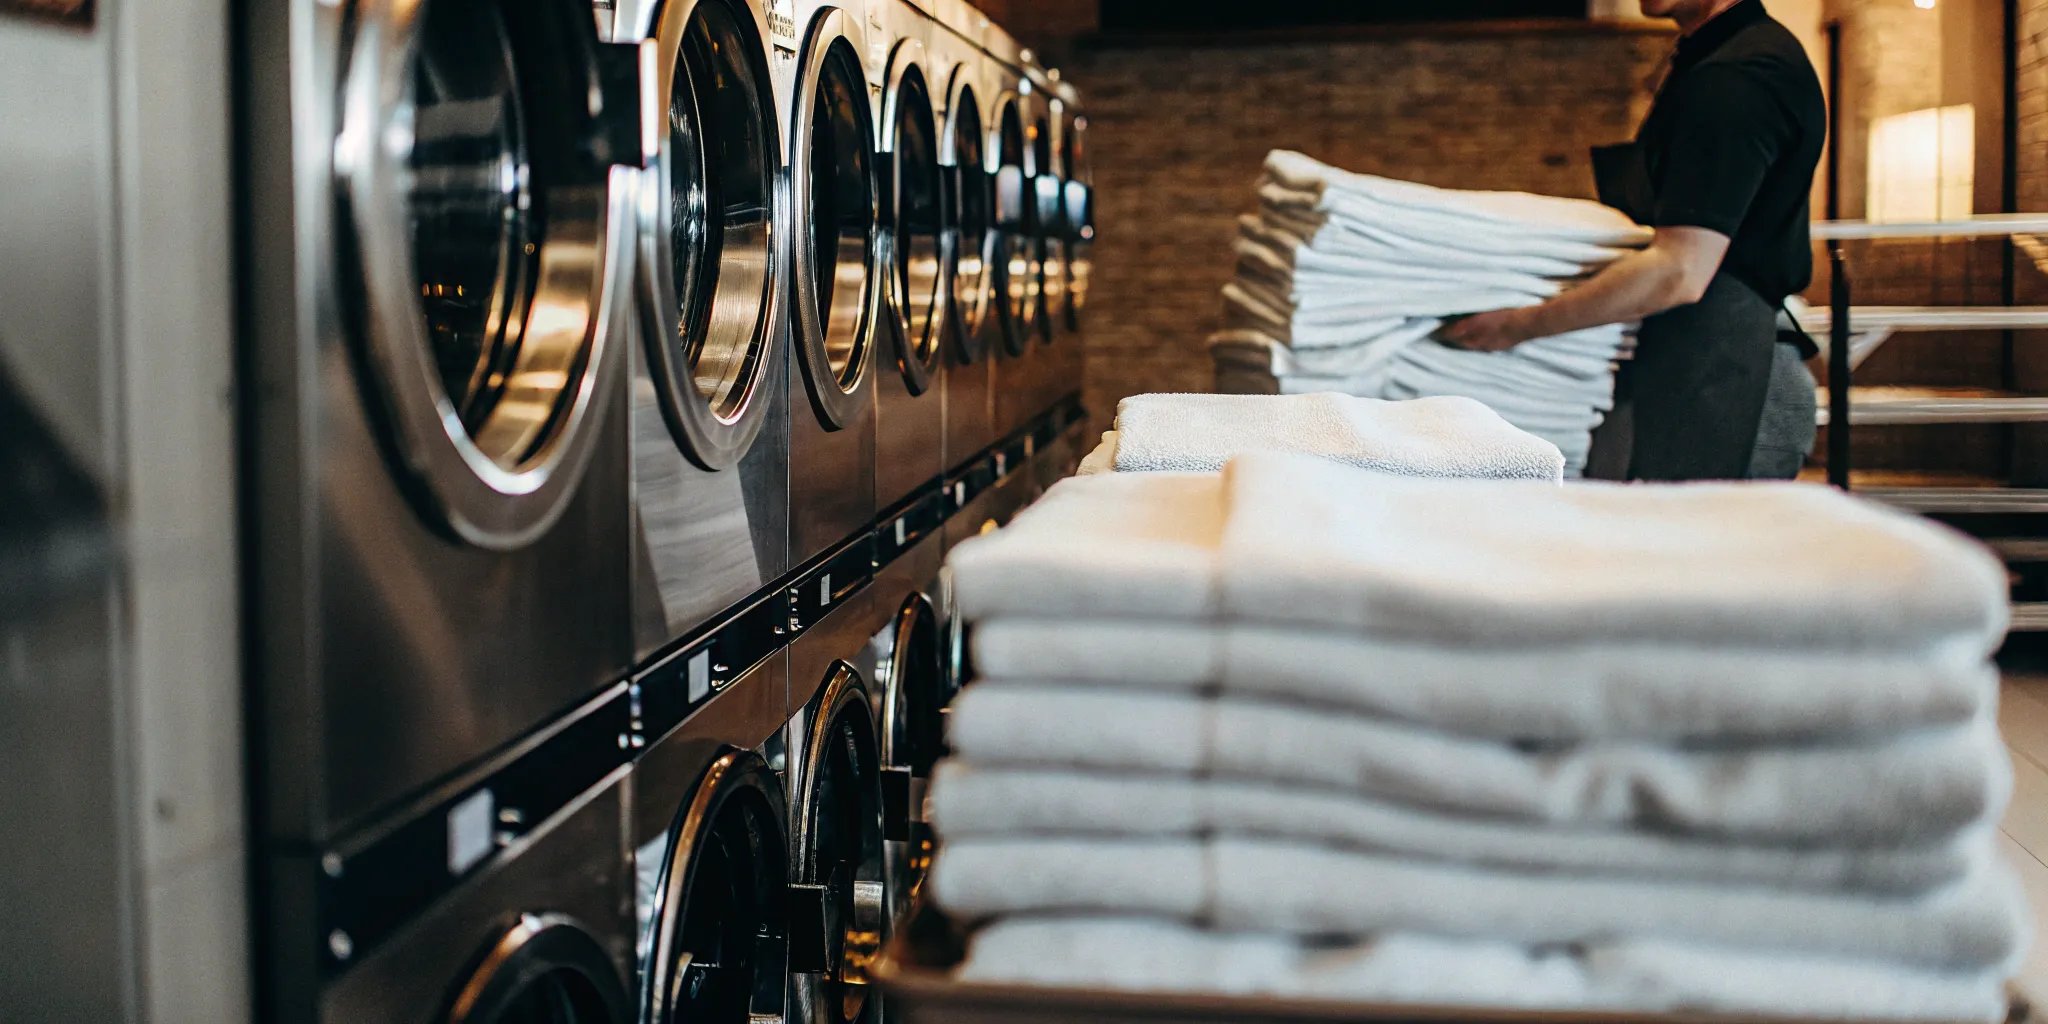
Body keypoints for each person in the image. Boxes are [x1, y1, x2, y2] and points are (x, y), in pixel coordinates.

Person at [1442, 0, 1827, 481]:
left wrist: (1515, 326)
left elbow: (1680, 269)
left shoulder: (1737, 76)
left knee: (1692, 528)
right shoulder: (1716, 58)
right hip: (1698, 359)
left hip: (1729, 378)